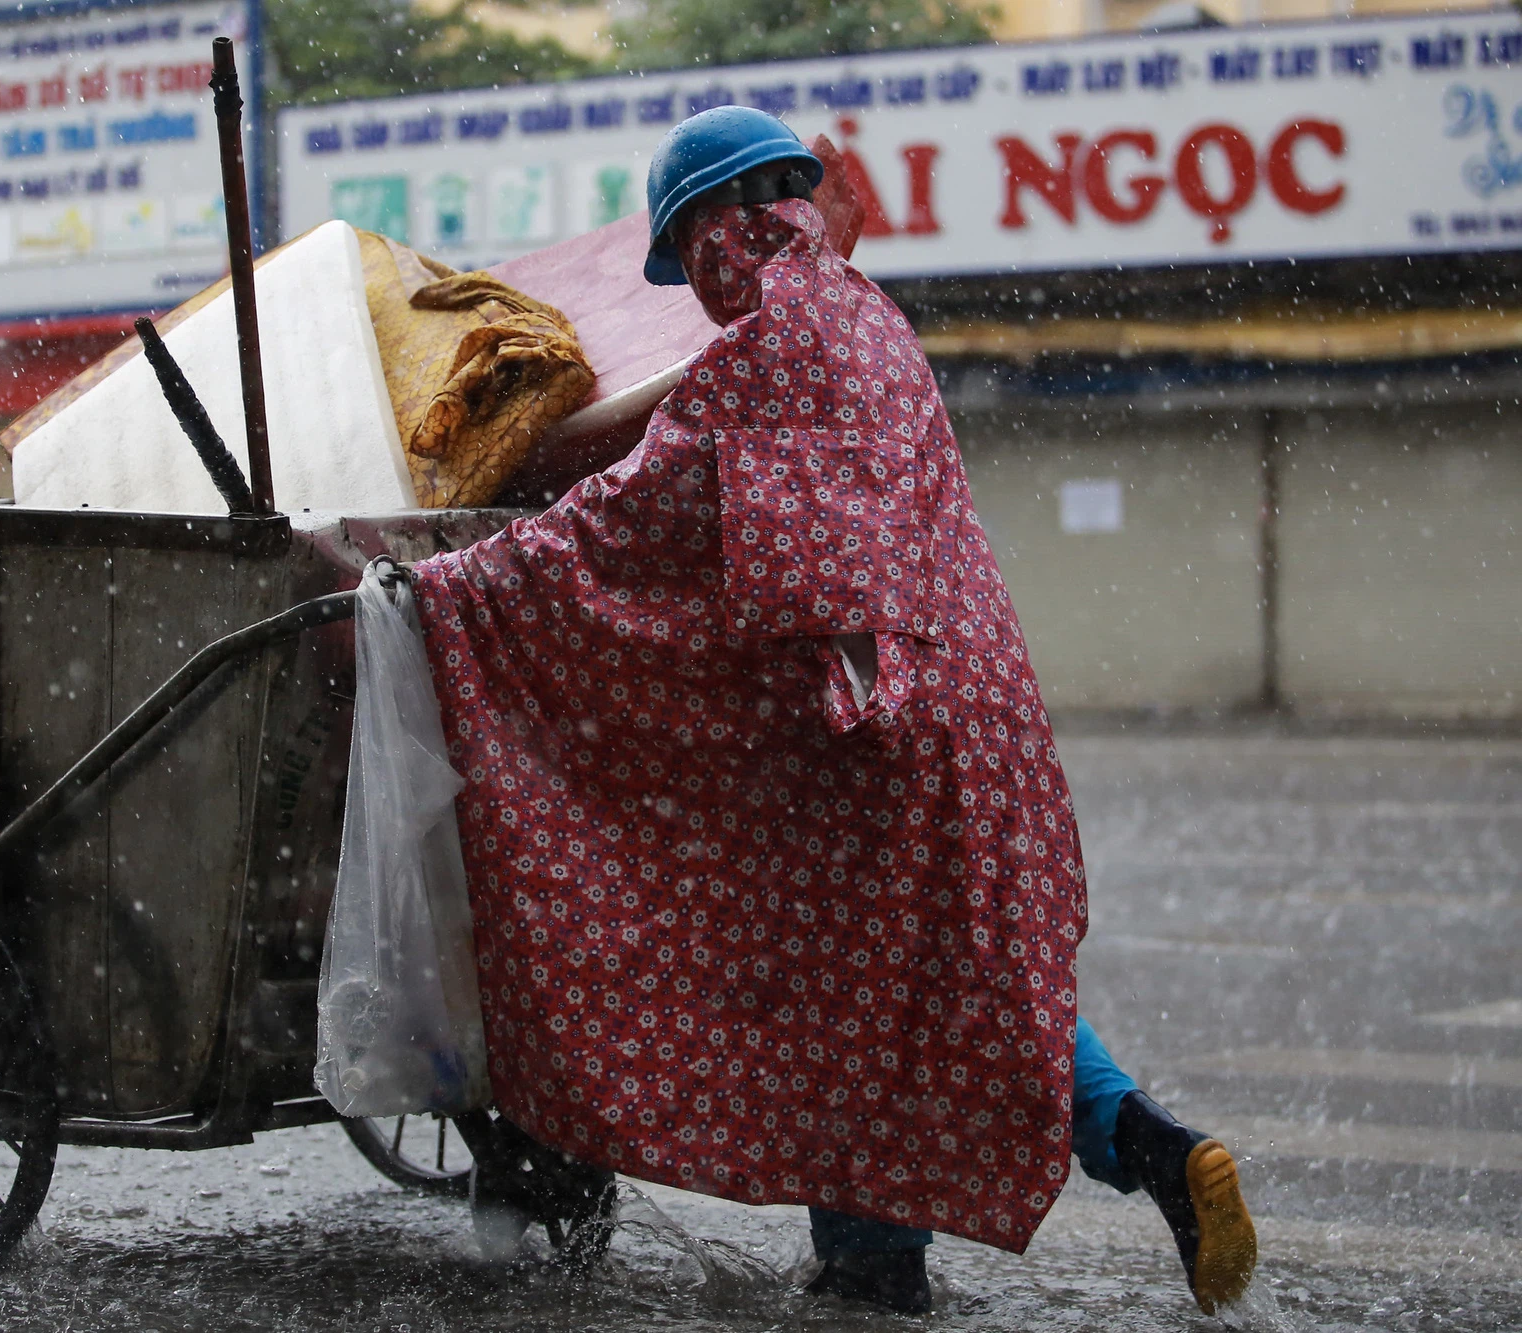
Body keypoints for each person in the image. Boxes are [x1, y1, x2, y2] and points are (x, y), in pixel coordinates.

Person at [407, 106, 1255, 1316]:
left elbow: (632, 519)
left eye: (689, 251)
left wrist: (451, 587)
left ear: (715, 228)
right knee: (952, 982)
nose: (694, 286)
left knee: (848, 999)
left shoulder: (766, 357)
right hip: (964, 705)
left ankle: (873, 1264)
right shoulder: (866, 318)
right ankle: (1155, 1148)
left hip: (867, 732)